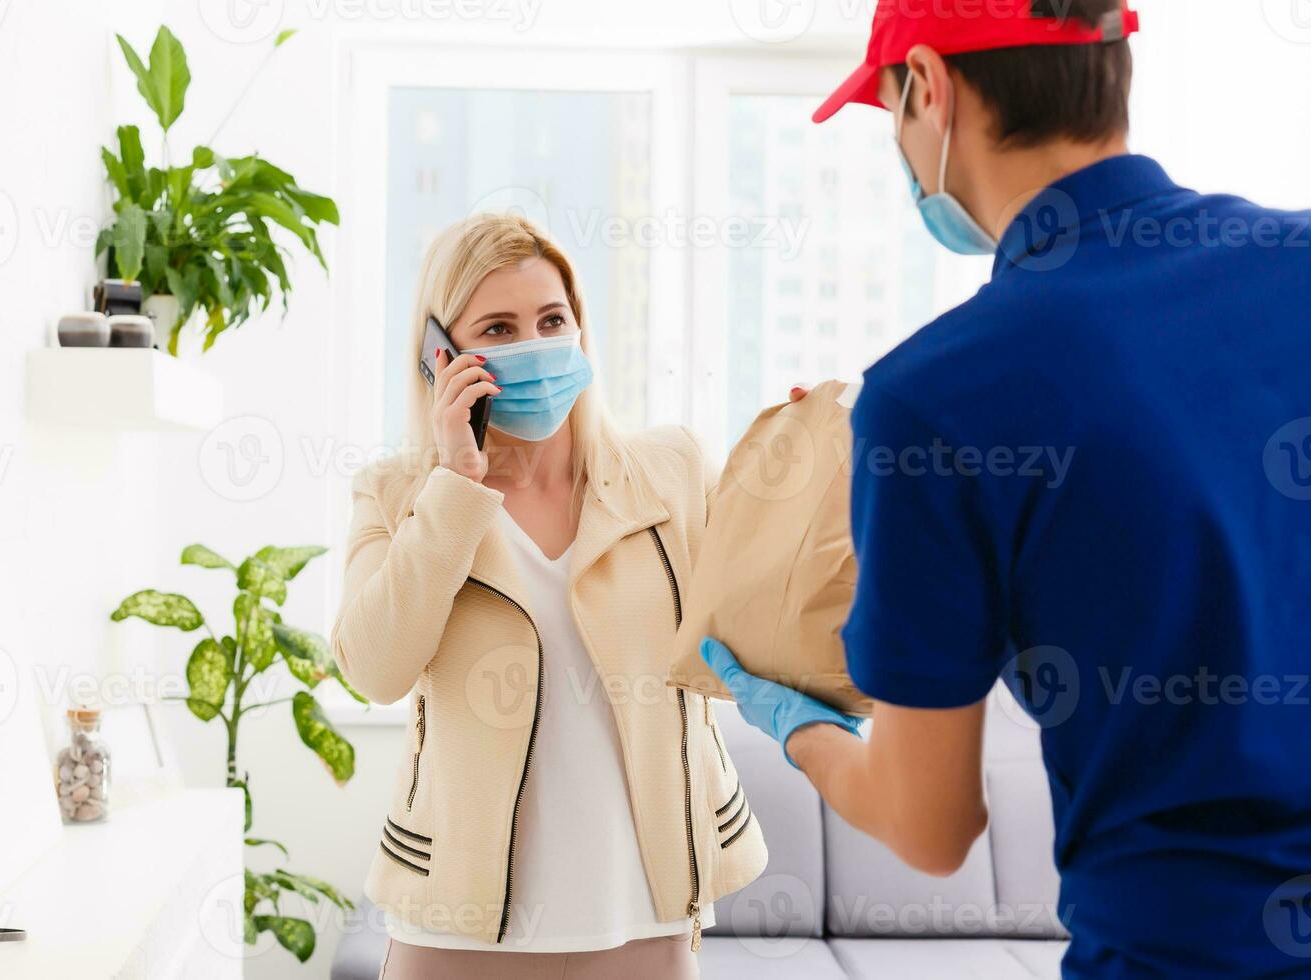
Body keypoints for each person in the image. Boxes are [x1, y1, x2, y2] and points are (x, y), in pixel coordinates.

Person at [704, 0, 1311, 976]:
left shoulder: (934, 398)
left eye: (890, 112)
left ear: (931, 89)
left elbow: (930, 823)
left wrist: (800, 727)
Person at [331, 214, 767, 980]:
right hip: (458, 929)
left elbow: (746, 655)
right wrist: (456, 483)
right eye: (498, 328)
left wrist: (806, 485)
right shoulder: (400, 494)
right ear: (443, 356)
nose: (534, 344)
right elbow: (374, 668)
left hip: (644, 911)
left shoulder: (669, 471)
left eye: (551, 320)